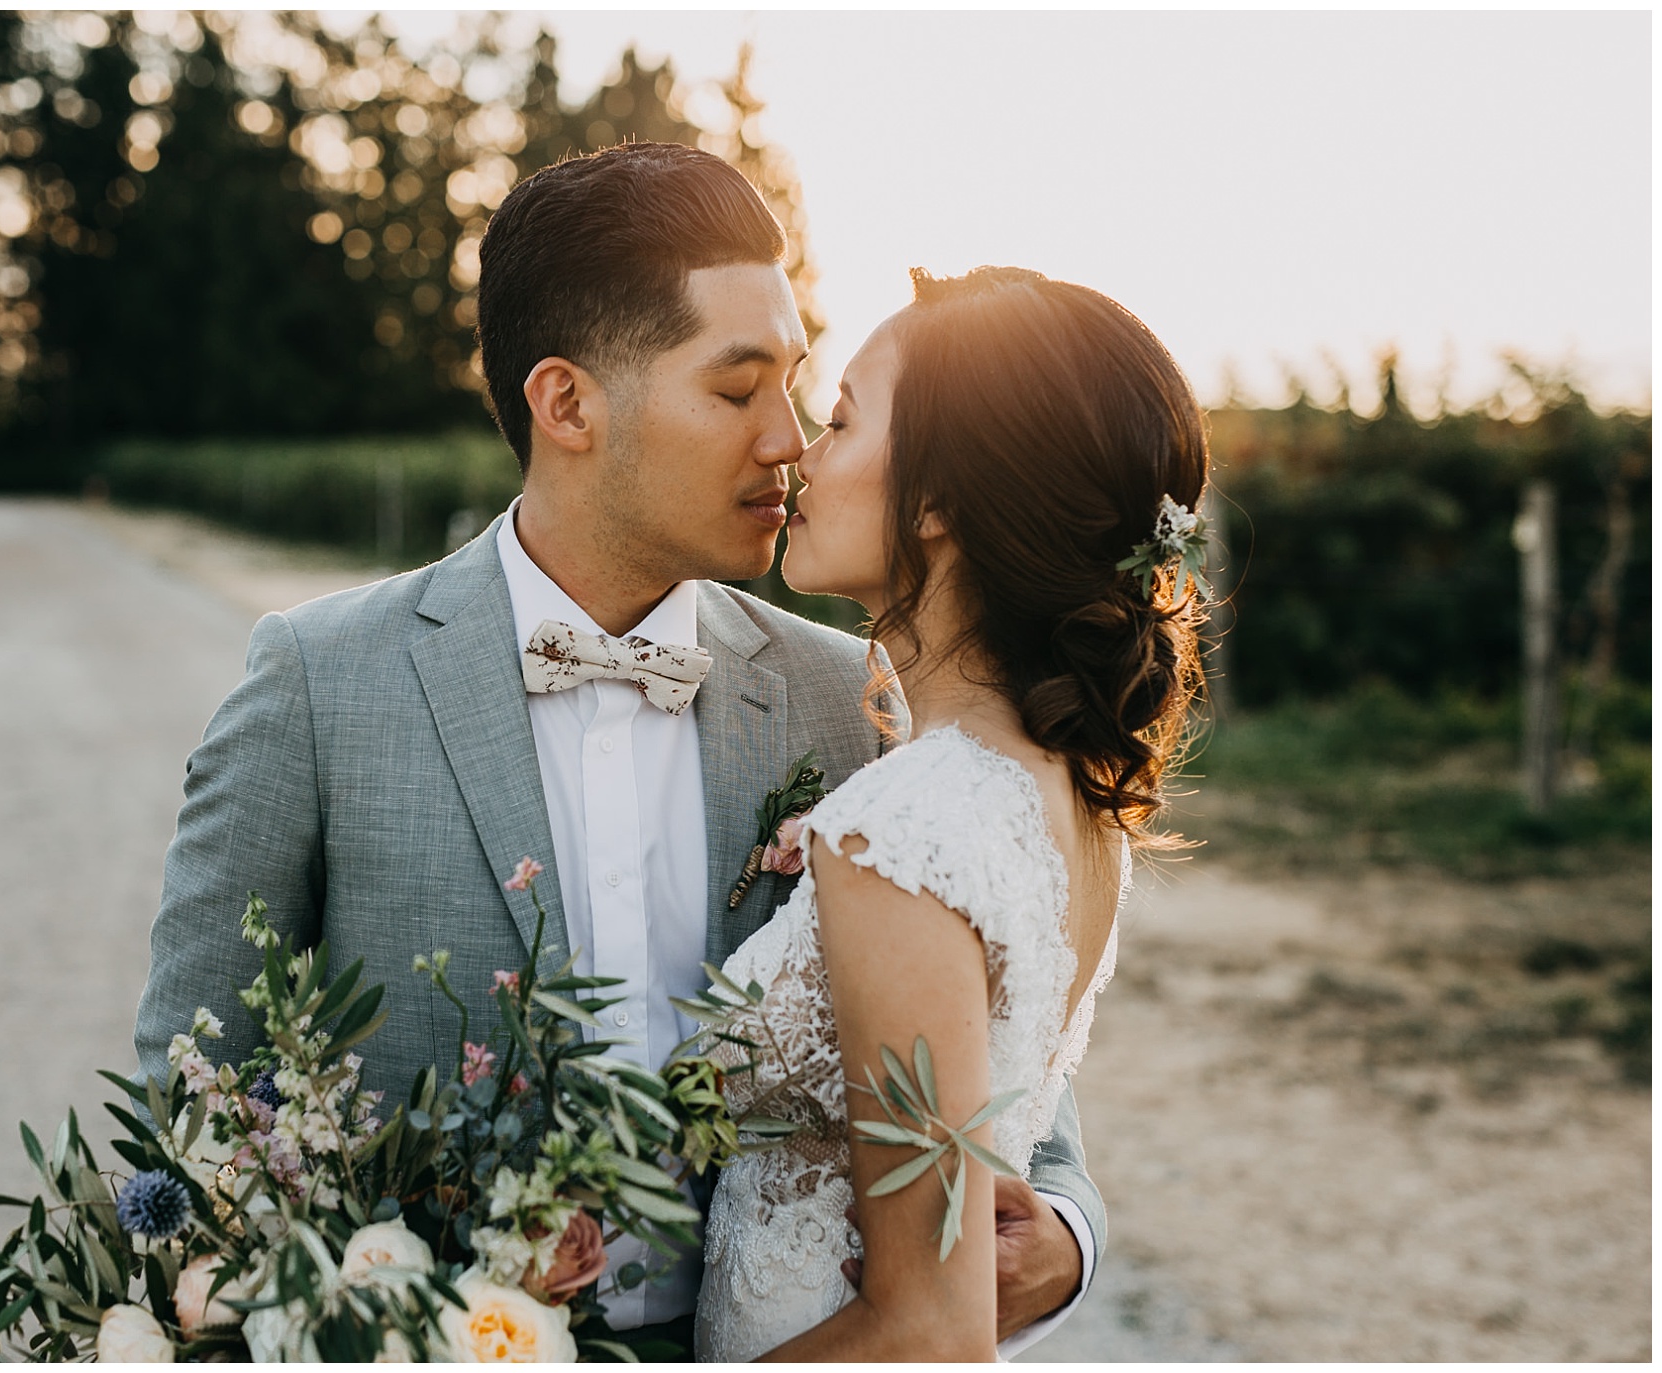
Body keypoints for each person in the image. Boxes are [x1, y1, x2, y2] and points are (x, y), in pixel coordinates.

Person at [134, 143, 1099, 1355]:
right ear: (567, 402)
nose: (789, 441)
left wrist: (1066, 1229)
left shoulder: (840, 694)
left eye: (797, 388)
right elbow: (196, 1092)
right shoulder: (320, 684)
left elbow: (999, 1072)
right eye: (735, 388)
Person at [692, 265, 1210, 1360]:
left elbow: (925, 1330)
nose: (801, 452)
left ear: (937, 502)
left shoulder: (910, 821)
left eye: (837, 420)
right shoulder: (1061, 793)